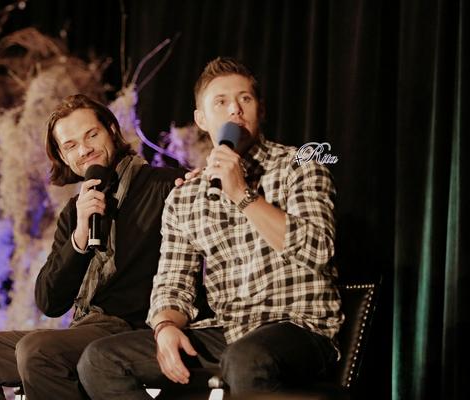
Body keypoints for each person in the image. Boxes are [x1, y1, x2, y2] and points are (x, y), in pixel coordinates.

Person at [78, 57, 344, 398]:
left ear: (260, 110)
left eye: (245, 99)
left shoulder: (300, 165)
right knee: (100, 360)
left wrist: (242, 195)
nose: (235, 109)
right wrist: (165, 326)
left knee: (245, 358)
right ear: (201, 119)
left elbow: (319, 249)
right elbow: (173, 283)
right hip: (228, 330)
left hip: (298, 327)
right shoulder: (185, 196)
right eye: (221, 102)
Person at [0, 94, 185, 399]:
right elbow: (49, 301)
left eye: (91, 135)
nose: (84, 150)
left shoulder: (166, 186)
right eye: (70, 146)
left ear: (111, 130)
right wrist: (79, 237)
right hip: (84, 331)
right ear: (63, 157)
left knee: (39, 350)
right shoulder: (75, 211)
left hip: (137, 329)